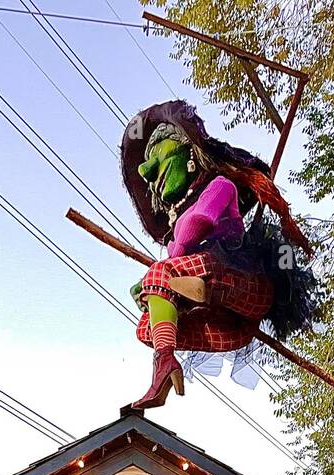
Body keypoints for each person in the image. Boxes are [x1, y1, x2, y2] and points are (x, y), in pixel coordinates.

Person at [121, 101, 318, 409]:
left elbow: (197, 226)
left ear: (188, 153)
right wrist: (154, 294)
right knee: (146, 326)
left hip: (246, 285)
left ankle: (197, 290)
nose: (147, 172)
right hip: (228, 328)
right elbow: (177, 254)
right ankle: (166, 356)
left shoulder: (219, 187)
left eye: (156, 152)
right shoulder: (176, 224)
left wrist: (162, 276)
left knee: (162, 274)